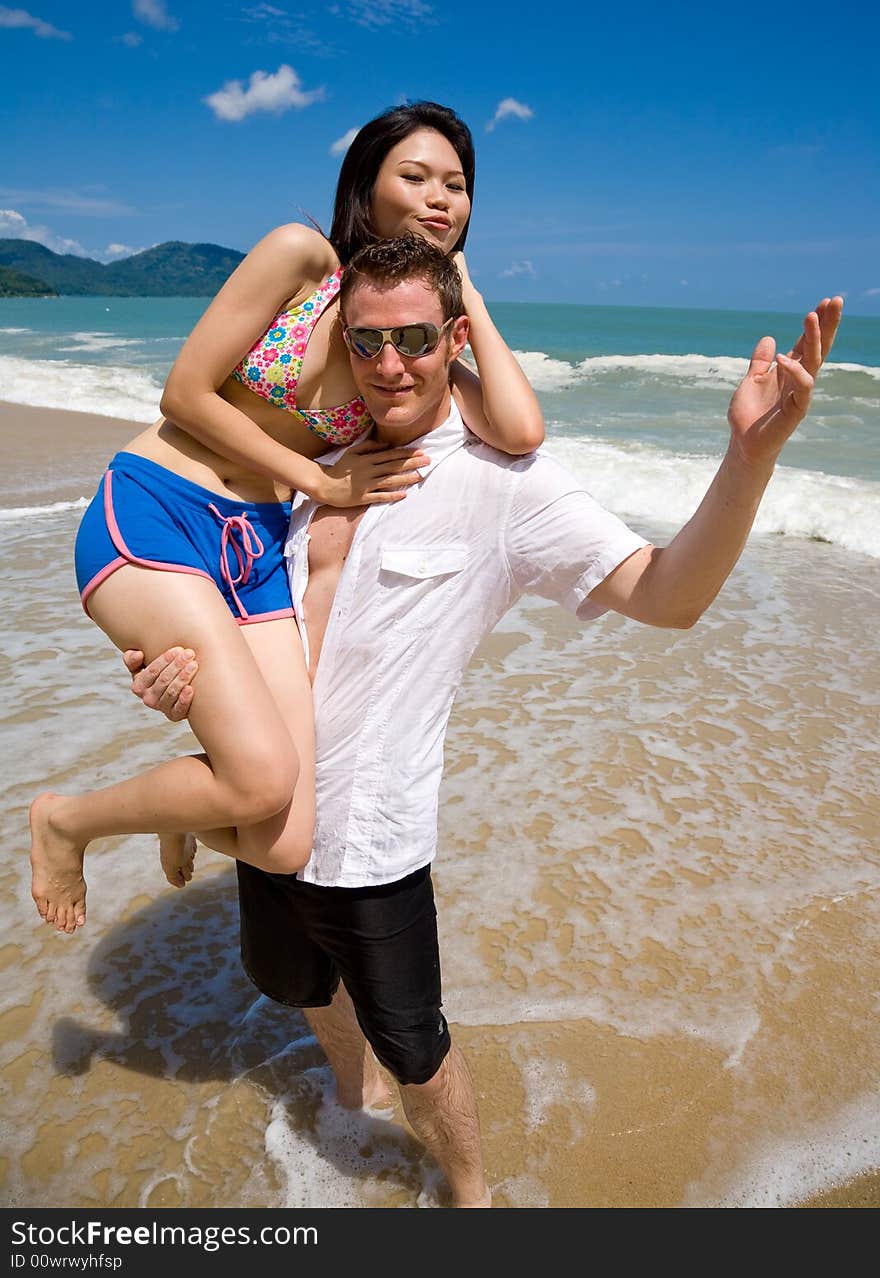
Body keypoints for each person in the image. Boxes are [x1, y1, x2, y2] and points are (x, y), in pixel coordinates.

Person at [126, 233, 843, 1206]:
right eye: (367, 340)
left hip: (372, 841)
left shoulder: (504, 485)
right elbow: (227, 619)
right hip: (270, 813)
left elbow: (667, 593)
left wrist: (747, 459)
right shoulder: (314, 458)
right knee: (297, 985)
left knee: (420, 1051)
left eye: (415, 339)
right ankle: (347, 1094)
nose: (388, 364)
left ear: (455, 335)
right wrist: (171, 682)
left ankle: (468, 1194)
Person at [28, 101, 544, 936]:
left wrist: (469, 298)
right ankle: (66, 820)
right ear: (366, 188)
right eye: (414, 177)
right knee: (261, 781)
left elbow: (519, 429)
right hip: (161, 508)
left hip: (258, 553)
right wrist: (323, 482)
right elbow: (184, 393)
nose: (441, 197)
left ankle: (181, 807)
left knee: (287, 836)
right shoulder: (303, 263)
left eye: (457, 184)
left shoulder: (403, 342)